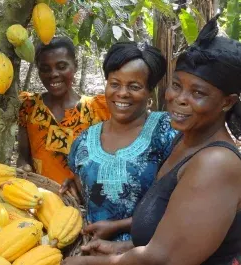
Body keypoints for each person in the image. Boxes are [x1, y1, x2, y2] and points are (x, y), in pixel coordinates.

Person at [62, 16, 241, 265]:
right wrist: (120, 245)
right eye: (177, 86)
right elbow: (174, 232)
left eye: (198, 93)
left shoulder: (215, 164)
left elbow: (164, 258)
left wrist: (82, 263)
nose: (179, 99)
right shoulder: (186, 143)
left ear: (227, 102)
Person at [65, 42, 176, 242]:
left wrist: (118, 226)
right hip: (94, 253)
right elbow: (91, 196)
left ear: (149, 91)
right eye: (115, 84)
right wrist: (72, 187)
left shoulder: (166, 131)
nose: (122, 93)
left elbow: (176, 201)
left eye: (134, 86)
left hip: (151, 251)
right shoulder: (84, 142)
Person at [17, 37, 110, 185]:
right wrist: (23, 169)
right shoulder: (29, 107)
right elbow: (23, 156)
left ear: (75, 65)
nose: (53, 74)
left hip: (83, 203)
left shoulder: (97, 110)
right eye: (45, 69)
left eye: (61, 66)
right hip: (41, 200)